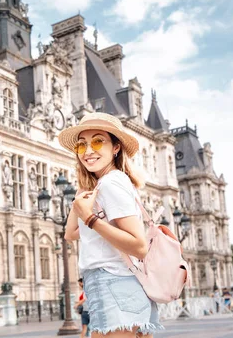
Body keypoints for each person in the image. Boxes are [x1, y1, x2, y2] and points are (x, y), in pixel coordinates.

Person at [60, 112, 162, 337]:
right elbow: (71, 233)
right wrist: (81, 194)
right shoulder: (103, 184)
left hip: (113, 281)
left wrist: (91, 219)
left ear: (116, 147)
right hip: (115, 282)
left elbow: (138, 245)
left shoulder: (111, 183)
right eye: (81, 145)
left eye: (98, 141)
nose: (88, 151)